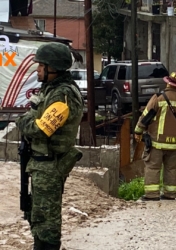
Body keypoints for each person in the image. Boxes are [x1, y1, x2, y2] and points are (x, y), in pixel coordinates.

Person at [15, 42, 84, 250]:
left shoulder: (62, 95)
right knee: (37, 216)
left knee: (47, 221)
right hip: (41, 164)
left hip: (49, 165)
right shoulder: (51, 90)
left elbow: (41, 128)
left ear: (52, 68)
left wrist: (22, 122)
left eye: (41, 66)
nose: (37, 70)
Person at [134, 71, 176, 201]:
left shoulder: (159, 98)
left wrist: (138, 131)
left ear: (168, 83)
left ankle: (152, 194)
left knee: (153, 167)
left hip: (157, 142)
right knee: (171, 169)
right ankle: (170, 194)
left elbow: (145, 116)